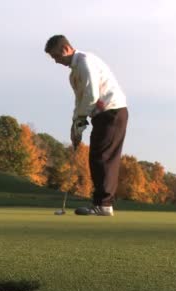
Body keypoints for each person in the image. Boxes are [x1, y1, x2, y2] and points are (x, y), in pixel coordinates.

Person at [44, 35, 129, 216]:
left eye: (56, 56)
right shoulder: (74, 73)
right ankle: (101, 203)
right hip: (102, 115)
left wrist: (81, 120)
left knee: (103, 157)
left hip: (112, 111)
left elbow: (91, 95)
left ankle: (103, 205)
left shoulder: (85, 62)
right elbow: (80, 101)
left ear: (66, 48)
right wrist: (75, 125)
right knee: (96, 157)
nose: (56, 62)